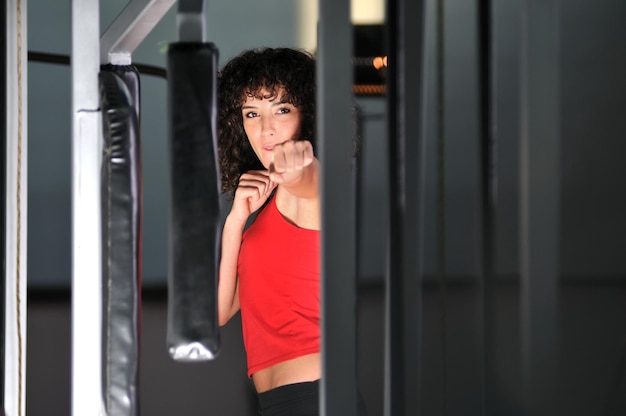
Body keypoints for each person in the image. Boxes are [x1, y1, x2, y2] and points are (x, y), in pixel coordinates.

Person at [217, 47, 322, 416]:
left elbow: (305, 176)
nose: (266, 129)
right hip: (279, 402)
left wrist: (297, 165)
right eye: (252, 114)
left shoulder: (310, 184)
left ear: (307, 115)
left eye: (281, 109)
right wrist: (235, 221)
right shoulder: (265, 205)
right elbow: (219, 310)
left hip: (314, 396)